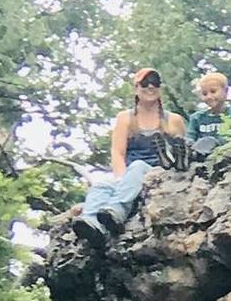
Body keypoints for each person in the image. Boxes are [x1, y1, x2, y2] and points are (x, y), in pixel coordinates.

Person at [72, 68, 186, 246]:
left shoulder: (174, 120)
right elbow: (118, 152)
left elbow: (184, 149)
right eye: (145, 83)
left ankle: (117, 210)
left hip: (158, 172)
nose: (150, 87)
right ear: (136, 88)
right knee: (102, 185)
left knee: (138, 166)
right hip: (129, 174)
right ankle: (91, 223)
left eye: (155, 83)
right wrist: (120, 178)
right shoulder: (125, 118)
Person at [187, 72, 231, 156]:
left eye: (213, 91)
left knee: (210, 141)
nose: (209, 96)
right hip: (202, 156)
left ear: (226, 91)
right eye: (204, 94)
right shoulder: (196, 118)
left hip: (230, 154)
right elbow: (190, 138)